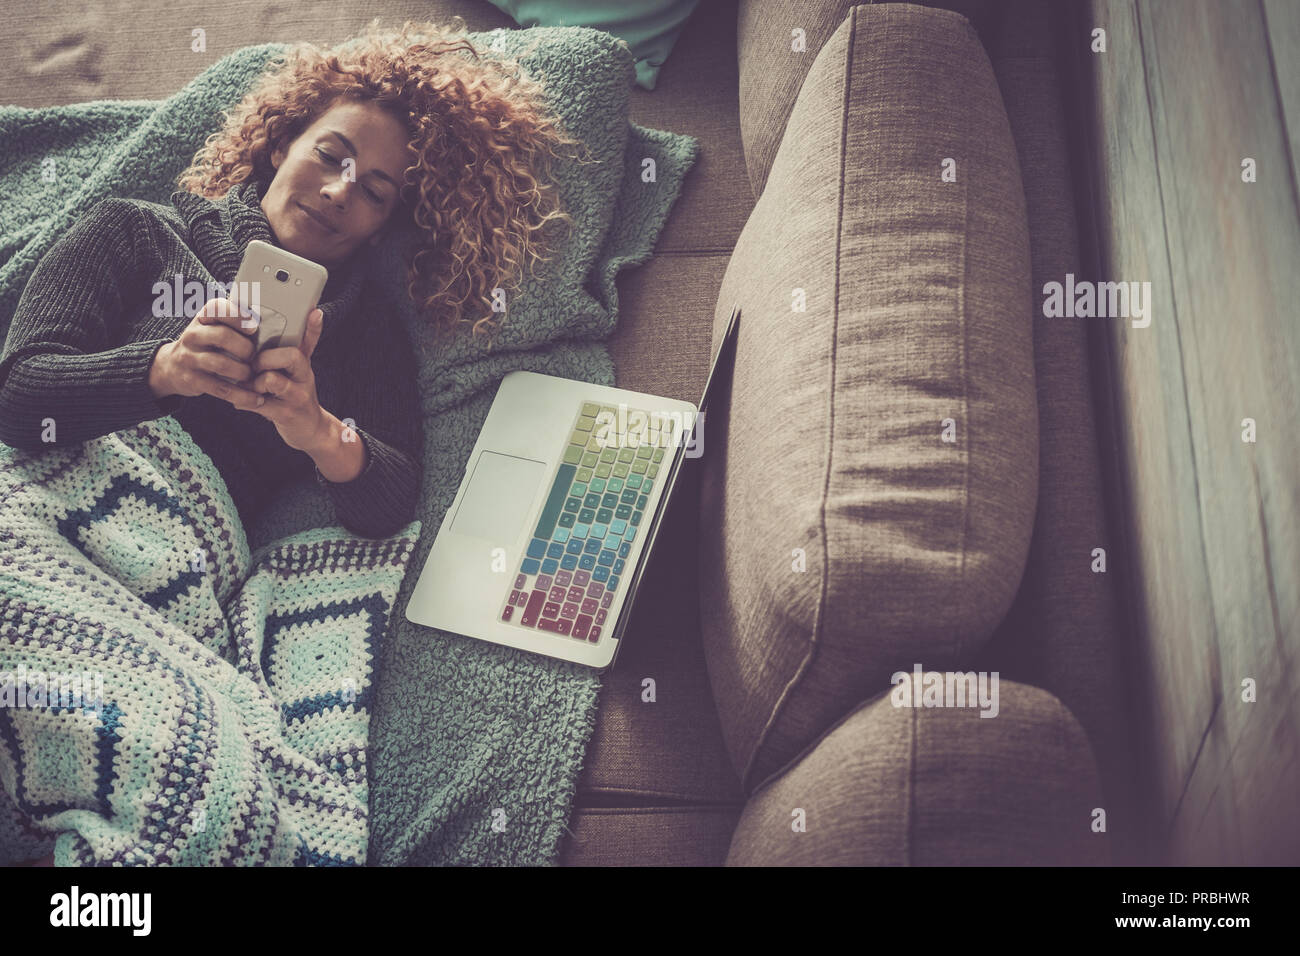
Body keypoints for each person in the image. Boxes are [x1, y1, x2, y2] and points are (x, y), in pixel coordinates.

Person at [0, 17, 589, 539]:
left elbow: (391, 503)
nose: (338, 191)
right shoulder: (135, 232)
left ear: (382, 228)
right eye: (331, 156)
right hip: (38, 505)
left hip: (176, 564)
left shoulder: (366, 332)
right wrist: (167, 369)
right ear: (282, 144)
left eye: (374, 192)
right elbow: (18, 397)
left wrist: (316, 429)